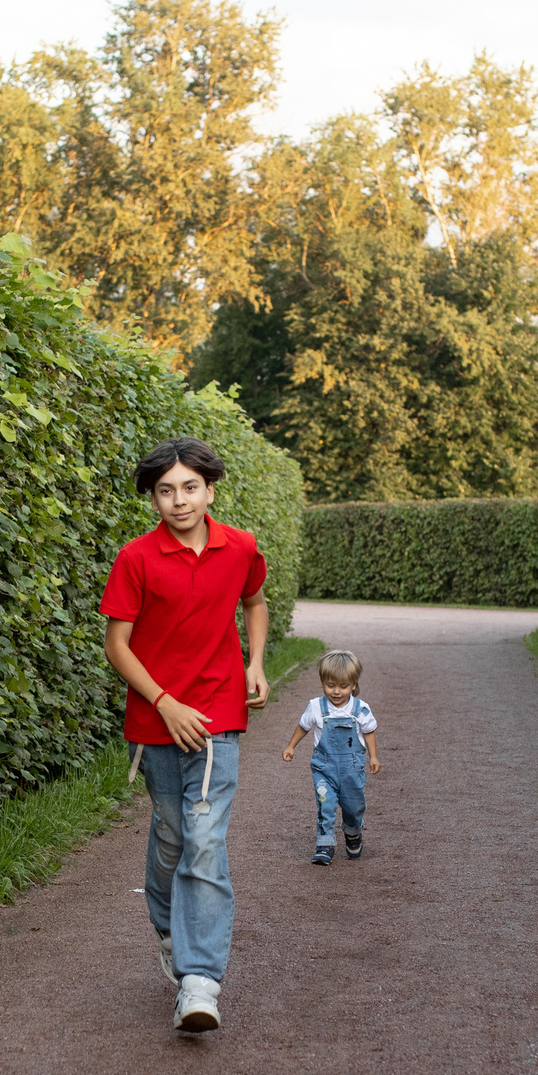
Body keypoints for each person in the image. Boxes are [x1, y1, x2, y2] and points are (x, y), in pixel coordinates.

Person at [99, 438, 268, 1034]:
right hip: (154, 720)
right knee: (172, 832)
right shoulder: (136, 559)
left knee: (202, 838)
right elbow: (117, 645)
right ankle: (170, 928)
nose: (179, 500)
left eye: (190, 487)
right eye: (165, 491)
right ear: (153, 499)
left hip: (219, 714)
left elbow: (254, 600)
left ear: (210, 490)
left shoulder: (241, 547)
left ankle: (199, 982)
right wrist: (165, 703)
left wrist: (255, 662)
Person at [279, 649, 380, 865]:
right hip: (324, 768)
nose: (336, 691)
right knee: (325, 804)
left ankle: (353, 832)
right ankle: (325, 845)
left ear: (353, 685)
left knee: (353, 807)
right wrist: (291, 746)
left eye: (343, 686)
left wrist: (373, 757)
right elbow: (303, 726)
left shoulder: (361, 709)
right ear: (323, 682)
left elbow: (369, 732)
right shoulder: (316, 707)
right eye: (330, 685)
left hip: (352, 770)